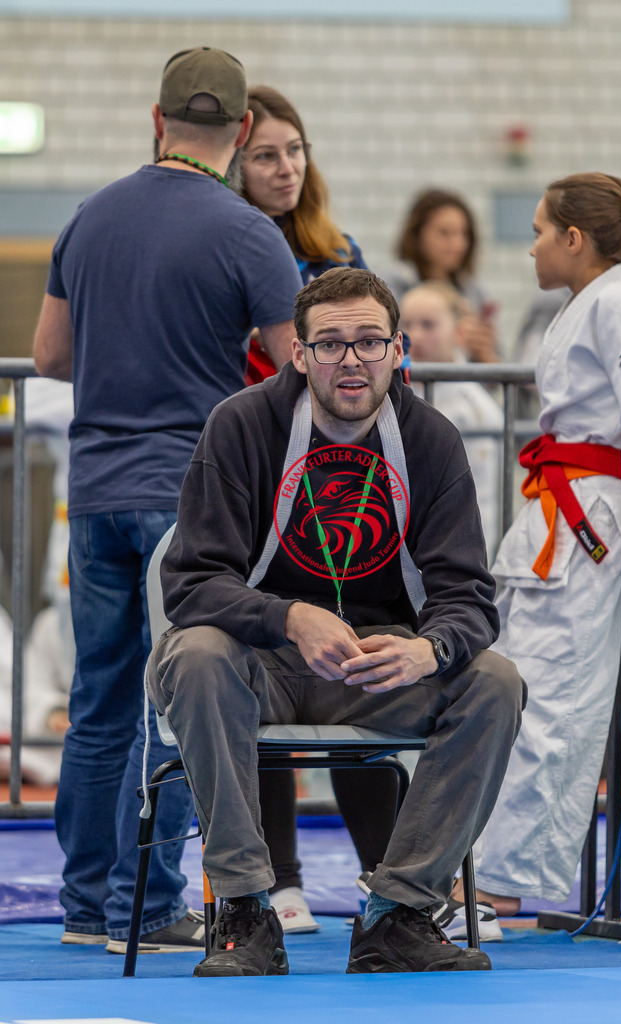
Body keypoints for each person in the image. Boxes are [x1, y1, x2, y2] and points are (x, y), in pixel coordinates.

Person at [147, 266, 526, 976]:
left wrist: (429, 649)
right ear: (299, 353)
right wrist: (289, 616)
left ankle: (400, 912)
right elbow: (190, 584)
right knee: (195, 654)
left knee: (494, 682)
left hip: (376, 669)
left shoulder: (431, 440)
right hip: (256, 663)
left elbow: (468, 597)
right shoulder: (242, 425)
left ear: (397, 349)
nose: (351, 359)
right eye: (330, 344)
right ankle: (245, 909)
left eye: (369, 341)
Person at [32, 46, 302, 954]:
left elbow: (50, 356)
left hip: (94, 491)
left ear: (157, 121)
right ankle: (145, 909)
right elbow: (299, 369)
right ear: (243, 130)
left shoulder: (88, 216)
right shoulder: (247, 233)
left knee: (99, 697)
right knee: (178, 699)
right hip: (186, 495)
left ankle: (85, 907)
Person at [452, 173, 621, 934]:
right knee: (515, 690)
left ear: (574, 239)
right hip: (561, 509)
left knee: (554, 699)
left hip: (588, 519)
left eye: (540, 232)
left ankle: (502, 886)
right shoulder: (593, 305)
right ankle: (483, 867)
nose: (532, 248)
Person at [237, 84, 400, 933]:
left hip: (340, 486)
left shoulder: (336, 252)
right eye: (265, 154)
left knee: (356, 652)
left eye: (294, 150)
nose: (284, 167)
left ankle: (392, 880)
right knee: (259, 662)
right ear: (233, 161)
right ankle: (277, 881)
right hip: (252, 479)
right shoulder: (223, 241)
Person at [400, 281, 503, 553]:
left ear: (459, 332)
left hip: (452, 545)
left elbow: (483, 497)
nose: (415, 335)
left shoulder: (474, 408)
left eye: (428, 325)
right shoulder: (394, 391)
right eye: (407, 324)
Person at [383, 188, 498, 364]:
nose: (458, 244)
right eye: (445, 233)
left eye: (464, 234)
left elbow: (494, 366)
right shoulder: (390, 288)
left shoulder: (475, 293)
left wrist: (484, 352)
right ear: (418, 235)